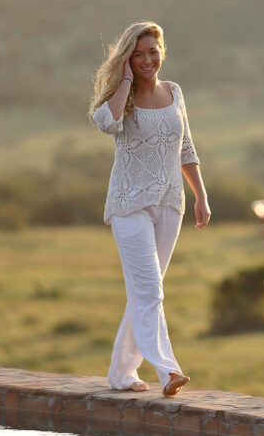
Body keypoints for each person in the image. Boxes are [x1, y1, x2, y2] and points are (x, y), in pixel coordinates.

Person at [90, 21, 210, 396]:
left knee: (146, 292)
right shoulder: (119, 99)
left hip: (170, 204)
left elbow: (185, 148)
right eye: (138, 54)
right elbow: (105, 123)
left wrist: (201, 196)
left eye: (152, 52)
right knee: (150, 292)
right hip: (129, 205)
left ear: (163, 51)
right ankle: (168, 370)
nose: (147, 60)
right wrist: (124, 81)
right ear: (127, 58)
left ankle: (121, 374)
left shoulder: (175, 92)